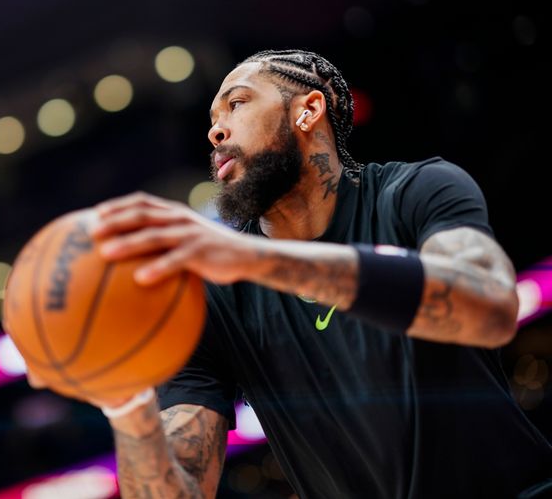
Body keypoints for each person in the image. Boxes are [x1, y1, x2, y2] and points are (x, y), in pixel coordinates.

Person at [28, 49, 552, 498]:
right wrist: (125, 401)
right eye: (212, 118)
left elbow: (491, 307)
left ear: (308, 111)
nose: (215, 130)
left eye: (237, 102)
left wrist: (253, 260)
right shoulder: (216, 300)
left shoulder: (416, 191)